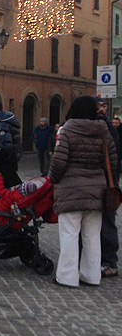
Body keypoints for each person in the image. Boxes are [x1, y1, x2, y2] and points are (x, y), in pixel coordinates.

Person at [48, 96, 116, 288]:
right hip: (97, 190)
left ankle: (67, 277)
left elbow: (59, 162)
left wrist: (53, 179)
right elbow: (112, 160)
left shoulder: (68, 129)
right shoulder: (103, 131)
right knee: (92, 236)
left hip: (71, 189)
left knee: (69, 234)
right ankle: (92, 275)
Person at [96, 98, 120, 278]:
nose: (102, 109)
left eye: (104, 106)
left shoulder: (109, 128)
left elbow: (116, 154)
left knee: (107, 222)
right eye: (99, 106)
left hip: (107, 182)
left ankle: (110, 261)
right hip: (96, 181)